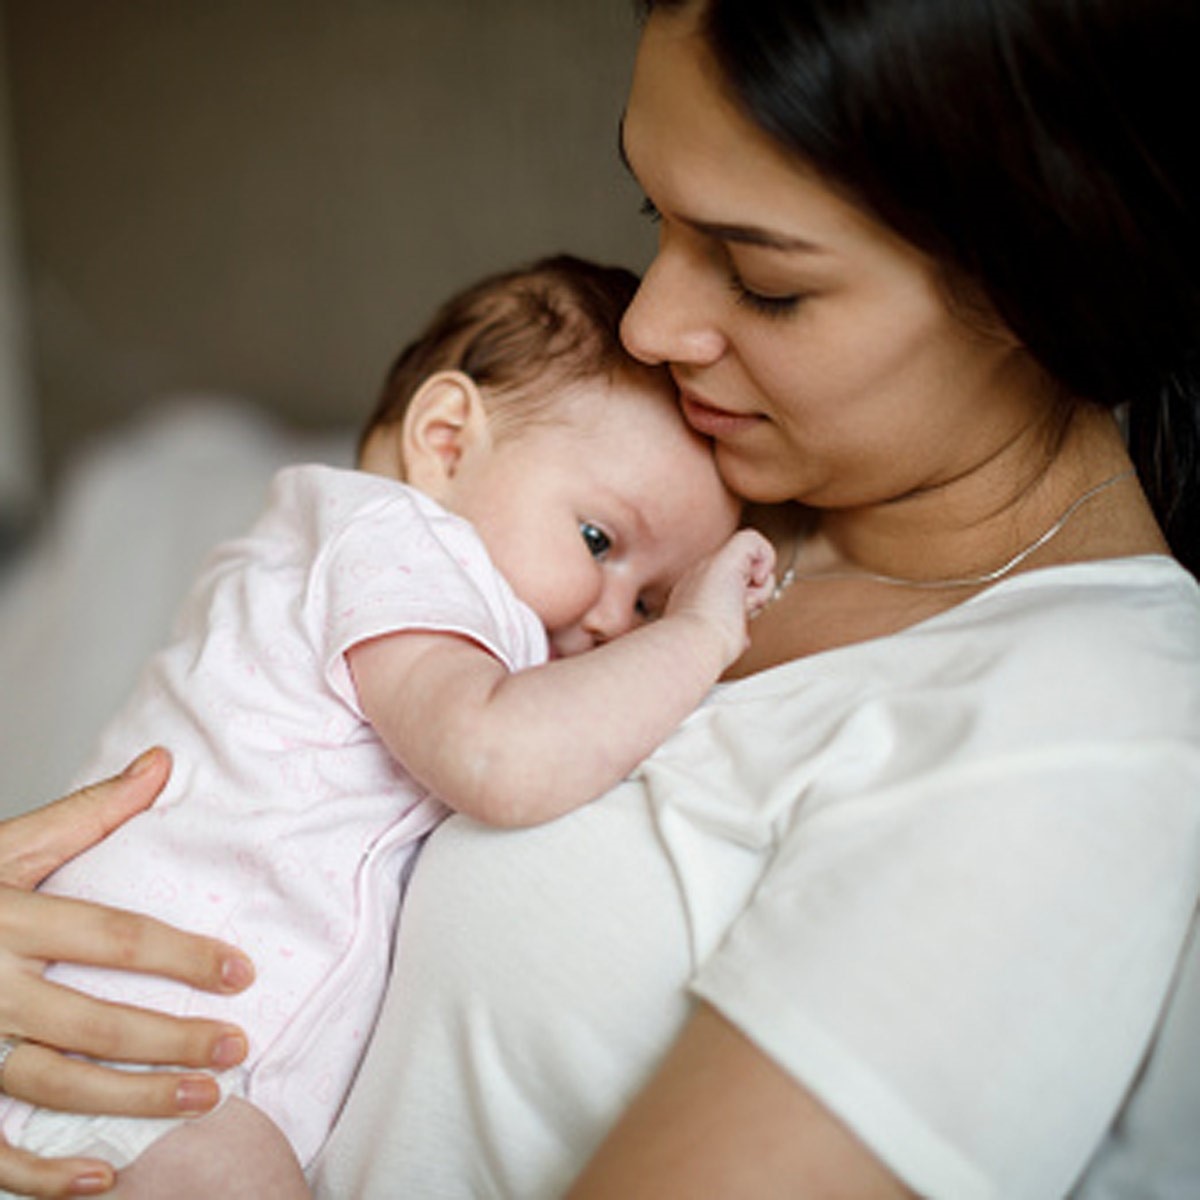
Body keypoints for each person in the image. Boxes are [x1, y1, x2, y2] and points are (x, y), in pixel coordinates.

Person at [2, 0, 1199, 1196]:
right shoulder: (657, 470)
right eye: (652, 216)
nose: (652, 325)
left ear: (1034, 274)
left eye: (763, 280)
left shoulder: (1086, 727)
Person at [0, 253, 773, 1198]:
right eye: (598, 541)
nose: (617, 620)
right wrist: (696, 635)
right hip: (128, 1067)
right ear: (445, 443)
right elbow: (496, 755)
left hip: (143, 1070)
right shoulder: (395, 547)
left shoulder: (359, 566)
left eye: (652, 601)